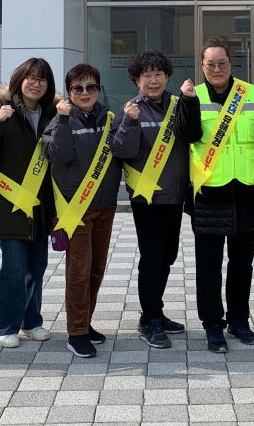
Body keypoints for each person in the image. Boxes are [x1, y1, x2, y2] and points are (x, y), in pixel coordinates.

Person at [174, 37, 254, 353]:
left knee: (241, 264)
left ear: (231, 63)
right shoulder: (194, 95)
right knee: (208, 265)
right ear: (202, 65)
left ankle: (239, 321)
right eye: (210, 64)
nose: (217, 69)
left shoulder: (251, 94)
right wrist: (188, 102)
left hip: (247, 191)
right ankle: (212, 325)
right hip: (209, 192)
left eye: (222, 63)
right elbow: (187, 135)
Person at [0, 58, 58, 349]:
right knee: (14, 269)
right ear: (20, 80)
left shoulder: (52, 115)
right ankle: (7, 324)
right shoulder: (3, 111)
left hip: (40, 206)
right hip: (9, 206)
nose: (37, 84)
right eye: (31, 78)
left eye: (43, 79)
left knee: (38, 265)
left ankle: (31, 321)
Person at [109, 50, 188, 349]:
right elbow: (122, 151)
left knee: (167, 256)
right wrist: (129, 123)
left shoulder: (179, 106)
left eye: (158, 74)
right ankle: (150, 319)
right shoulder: (130, 109)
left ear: (167, 77)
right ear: (136, 79)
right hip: (146, 199)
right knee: (152, 259)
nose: (153, 80)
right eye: (146, 75)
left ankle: (156, 309)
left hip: (175, 197)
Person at [43, 64, 122, 358]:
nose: (85, 93)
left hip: (105, 206)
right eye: (78, 88)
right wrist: (63, 121)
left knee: (96, 269)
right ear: (69, 92)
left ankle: (85, 323)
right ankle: (76, 333)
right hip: (76, 210)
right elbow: (59, 156)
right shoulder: (59, 120)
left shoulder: (110, 118)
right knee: (78, 271)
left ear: (98, 89)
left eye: (91, 87)